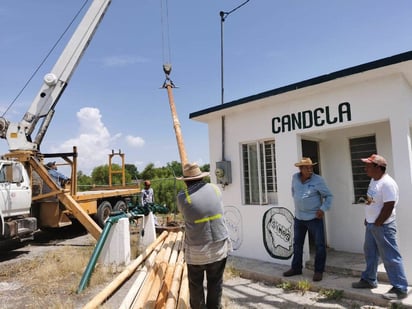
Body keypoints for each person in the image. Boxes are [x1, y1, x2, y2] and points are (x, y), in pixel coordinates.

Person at [352, 154, 408, 300]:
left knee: (390, 256)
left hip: (383, 226)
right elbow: (371, 200)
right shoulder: (374, 180)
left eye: (368, 165)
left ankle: (400, 288)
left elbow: (389, 206)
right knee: (370, 252)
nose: (365, 168)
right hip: (372, 224)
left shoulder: (387, 183)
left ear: (378, 167)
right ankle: (369, 280)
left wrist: (378, 222)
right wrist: (368, 217)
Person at [176, 162, 232, 309]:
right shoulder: (215, 189)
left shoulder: (183, 197)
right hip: (219, 247)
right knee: (215, 284)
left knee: (196, 287)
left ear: (186, 181)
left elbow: (185, 211)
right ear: (201, 178)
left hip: (197, 252)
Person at [283, 157, 333, 282]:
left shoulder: (318, 180)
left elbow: (328, 196)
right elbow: (293, 192)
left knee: (319, 245)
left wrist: (323, 208)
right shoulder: (295, 178)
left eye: (311, 167)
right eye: (307, 168)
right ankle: (296, 268)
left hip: (314, 218)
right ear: (300, 169)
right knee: (297, 244)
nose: (310, 170)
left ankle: (318, 271)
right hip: (299, 217)